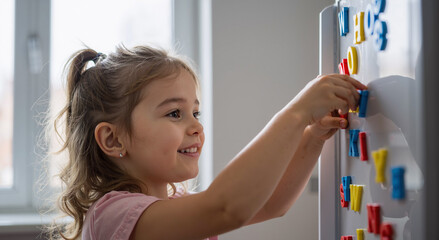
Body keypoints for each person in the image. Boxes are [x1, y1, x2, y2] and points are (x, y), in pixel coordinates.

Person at [49, 45, 366, 240]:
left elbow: (271, 203)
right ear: (112, 138)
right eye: (175, 113)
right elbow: (228, 208)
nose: (196, 127)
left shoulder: (172, 205)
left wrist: (312, 136)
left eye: (195, 113)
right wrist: (296, 114)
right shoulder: (112, 215)